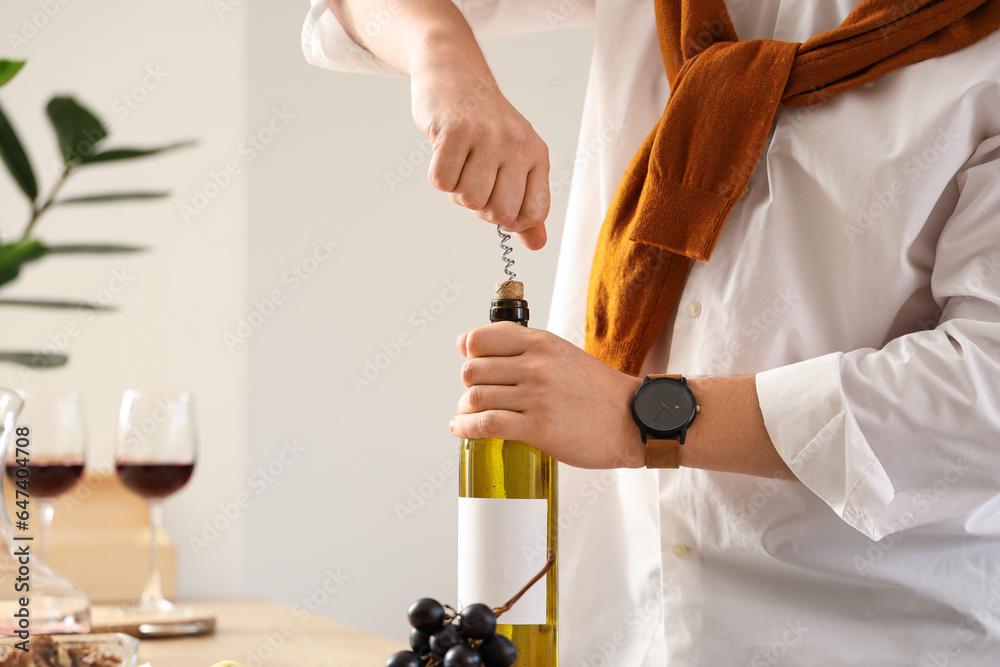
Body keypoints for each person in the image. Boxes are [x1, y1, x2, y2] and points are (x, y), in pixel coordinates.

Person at [303, 1, 1000, 664]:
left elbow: (982, 392)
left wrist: (638, 418)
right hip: (614, 610)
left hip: (876, 630)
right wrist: (446, 64)